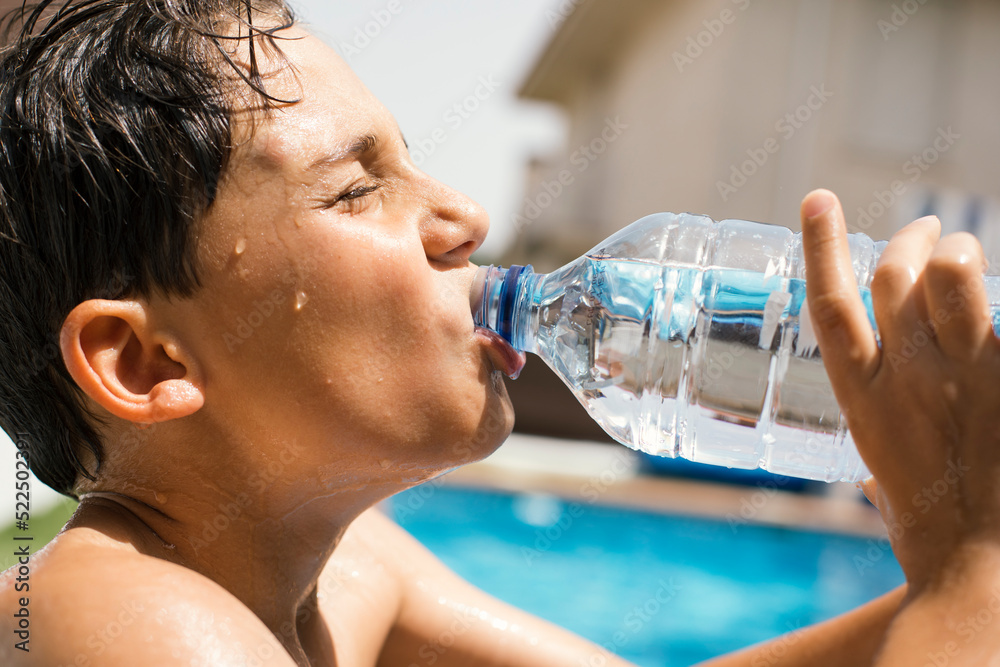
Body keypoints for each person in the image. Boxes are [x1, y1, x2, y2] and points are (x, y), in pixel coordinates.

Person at [1, 1, 999, 665]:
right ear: (145, 362)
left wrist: (961, 543)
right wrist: (972, 575)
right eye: (355, 190)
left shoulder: (348, 569)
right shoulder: (126, 625)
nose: (466, 217)